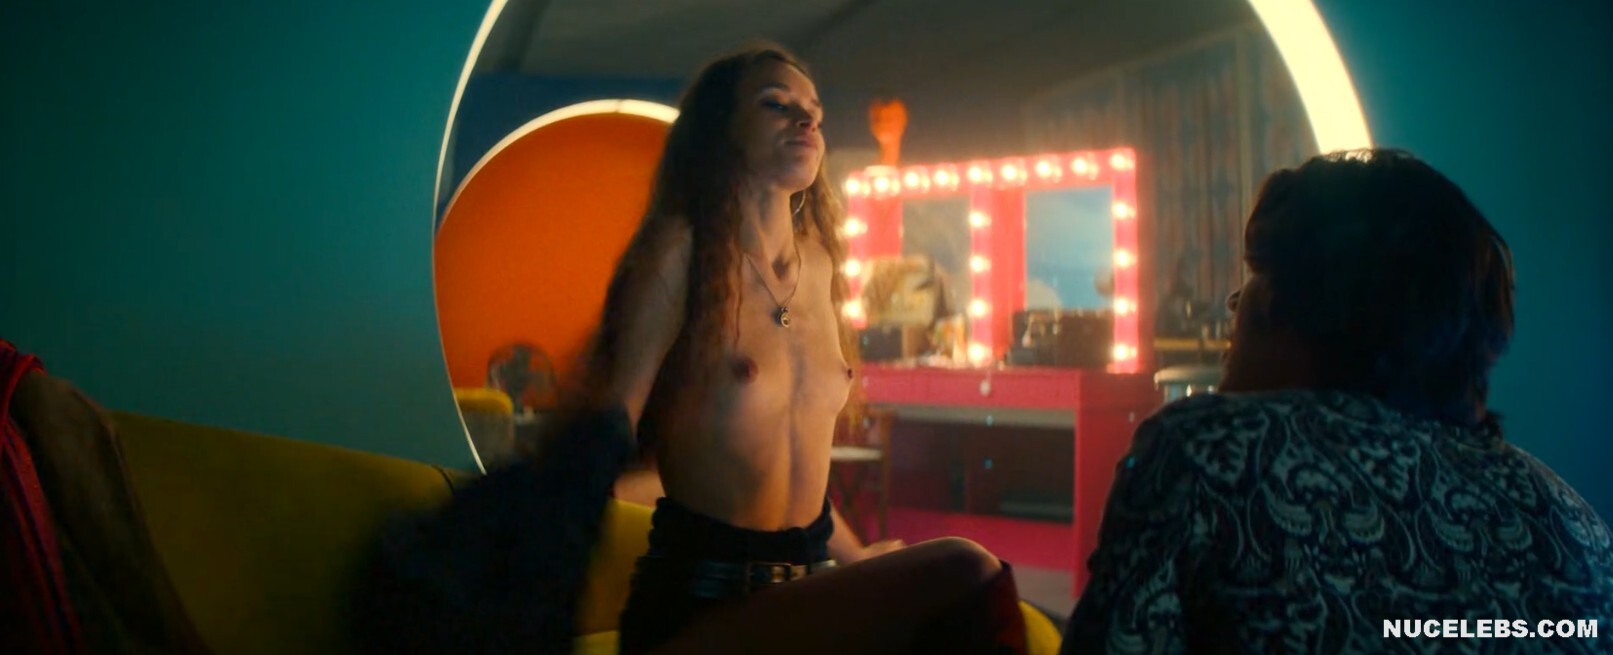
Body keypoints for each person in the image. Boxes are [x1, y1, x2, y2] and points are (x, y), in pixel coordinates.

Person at [355, 42, 1030, 655]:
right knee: (965, 567)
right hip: (703, 601)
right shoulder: (680, 253)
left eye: (815, 112)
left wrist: (858, 560)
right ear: (720, 130)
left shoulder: (822, 266)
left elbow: (793, 465)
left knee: (960, 593)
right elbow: (604, 428)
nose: (806, 120)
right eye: (776, 104)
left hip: (805, 589)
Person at [1062, 149, 1613, 653]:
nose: (1235, 306)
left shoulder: (1206, 452)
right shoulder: (1569, 517)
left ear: (1282, 304)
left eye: (1254, 276)